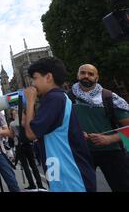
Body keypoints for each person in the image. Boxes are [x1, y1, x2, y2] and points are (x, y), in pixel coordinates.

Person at [24, 57, 96, 192]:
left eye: (35, 78)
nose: (33, 84)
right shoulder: (60, 97)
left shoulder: (53, 98)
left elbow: (30, 134)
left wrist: (30, 102)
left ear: (48, 77)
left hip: (70, 177)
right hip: (63, 174)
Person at [67, 63, 129, 192]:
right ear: (77, 75)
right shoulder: (67, 99)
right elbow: (59, 126)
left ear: (97, 78)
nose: (86, 76)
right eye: (83, 73)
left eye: (90, 74)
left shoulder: (109, 98)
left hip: (112, 153)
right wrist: (75, 133)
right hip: (81, 154)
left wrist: (110, 139)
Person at [9, 109, 46, 191]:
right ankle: (37, 185)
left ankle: (36, 185)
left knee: (29, 166)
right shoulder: (20, 122)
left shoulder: (16, 123)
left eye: (15, 114)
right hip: (24, 145)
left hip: (22, 145)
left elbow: (11, 135)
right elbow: (13, 135)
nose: (15, 115)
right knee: (29, 166)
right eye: (14, 114)